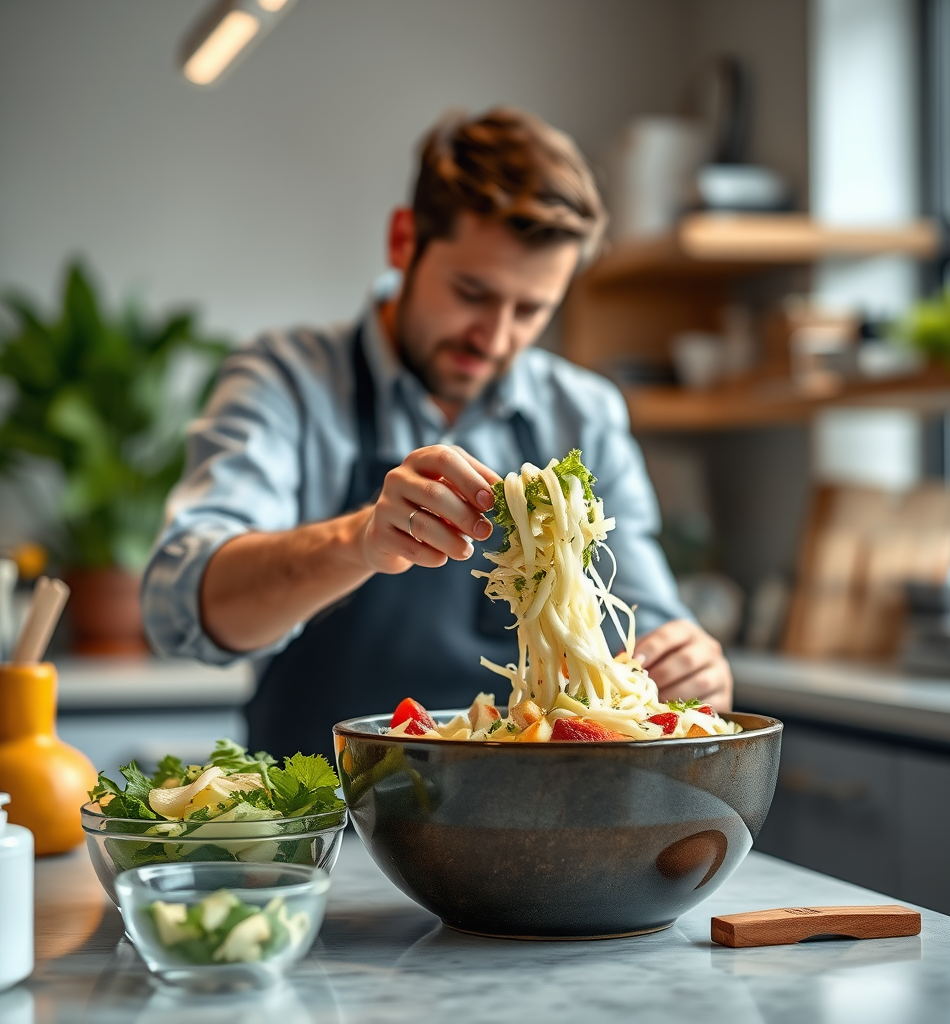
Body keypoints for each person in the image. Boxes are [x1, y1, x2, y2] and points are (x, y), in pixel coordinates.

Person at [142, 107, 732, 760]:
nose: (496, 337)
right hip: (322, 830)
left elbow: (647, 629)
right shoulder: (286, 380)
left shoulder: (583, 411)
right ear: (404, 241)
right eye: (472, 292)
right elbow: (182, 607)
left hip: (525, 830)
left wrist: (690, 667)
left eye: (532, 309)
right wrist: (357, 539)